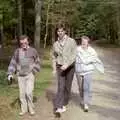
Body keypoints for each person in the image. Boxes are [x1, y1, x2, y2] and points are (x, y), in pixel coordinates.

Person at [7, 35, 40, 116]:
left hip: (29, 75)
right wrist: (10, 73)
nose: (23, 44)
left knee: (29, 92)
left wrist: (33, 71)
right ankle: (24, 109)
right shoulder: (17, 51)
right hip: (20, 76)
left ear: (28, 41)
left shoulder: (33, 51)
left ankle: (31, 108)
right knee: (22, 94)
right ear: (20, 43)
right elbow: (13, 62)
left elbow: (37, 61)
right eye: (22, 43)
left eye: (25, 42)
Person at [75, 36, 104, 112]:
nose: (84, 42)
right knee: (81, 87)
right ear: (81, 42)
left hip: (88, 71)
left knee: (86, 88)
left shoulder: (92, 50)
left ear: (88, 42)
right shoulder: (77, 49)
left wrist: (87, 60)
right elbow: (73, 58)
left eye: (85, 41)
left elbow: (95, 59)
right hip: (79, 71)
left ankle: (86, 104)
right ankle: (82, 98)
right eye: (82, 41)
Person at [52, 25, 77, 114]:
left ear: (65, 31)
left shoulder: (71, 41)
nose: (60, 33)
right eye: (58, 31)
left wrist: (67, 64)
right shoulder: (55, 44)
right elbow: (54, 56)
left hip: (70, 67)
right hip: (60, 67)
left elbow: (74, 55)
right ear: (57, 32)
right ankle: (59, 106)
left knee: (67, 87)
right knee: (60, 86)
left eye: (61, 31)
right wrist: (54, 68)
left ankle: (64, 102)